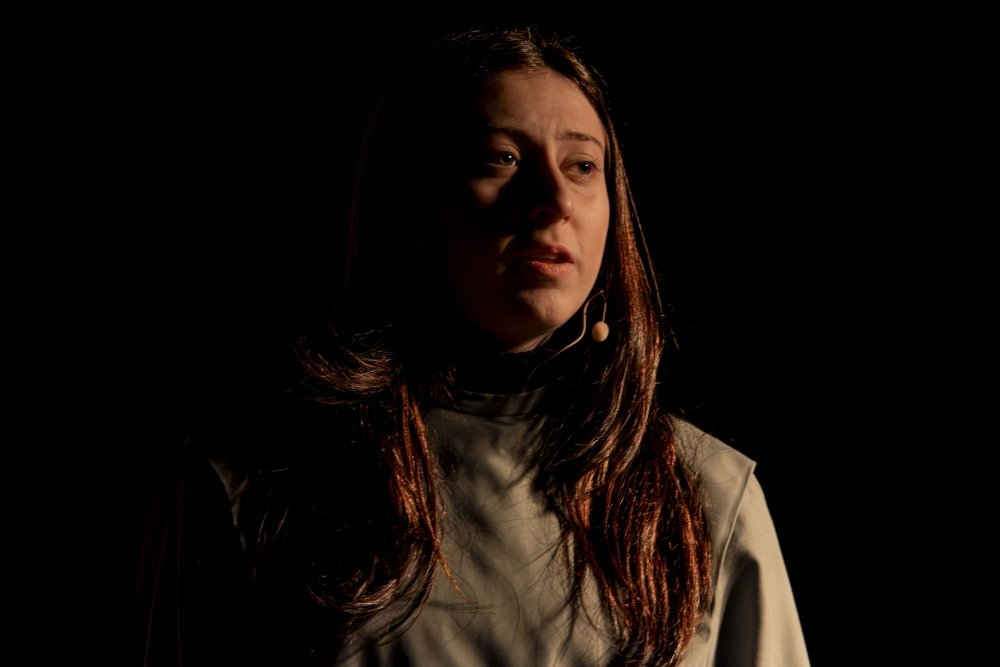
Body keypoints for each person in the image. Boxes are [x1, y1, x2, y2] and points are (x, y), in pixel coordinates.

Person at [135, 23, 811, 667]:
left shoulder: (707, 495)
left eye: (583, 164)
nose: (553, 199)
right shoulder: (255, 483)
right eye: (502, 158)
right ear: (411, 200)